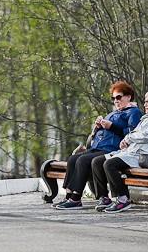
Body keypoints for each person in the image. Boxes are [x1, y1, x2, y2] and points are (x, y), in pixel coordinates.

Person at [53, 81, 142, 210]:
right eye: (113, 98)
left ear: (128, 97)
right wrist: (99, 126)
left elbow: (132, 134)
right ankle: (69, 195)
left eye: (119, 97)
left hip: (113, 150)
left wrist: (111, 126)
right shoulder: (112, 113)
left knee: (83, 160)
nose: (115, 101)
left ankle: (77, 198)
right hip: (98, 147)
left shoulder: (134, 112)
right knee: (73, 159)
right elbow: (102, 133)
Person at [91, 88, 148, 213]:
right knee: (97, 162)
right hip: (133, 153)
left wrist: (128, 138)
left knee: (110, 164)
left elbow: (146, 135)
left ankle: (123, 199)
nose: (145, 104)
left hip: (144, 157)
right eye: (145, 102)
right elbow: (136, 133)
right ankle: (104, 198)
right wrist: (127, 140)